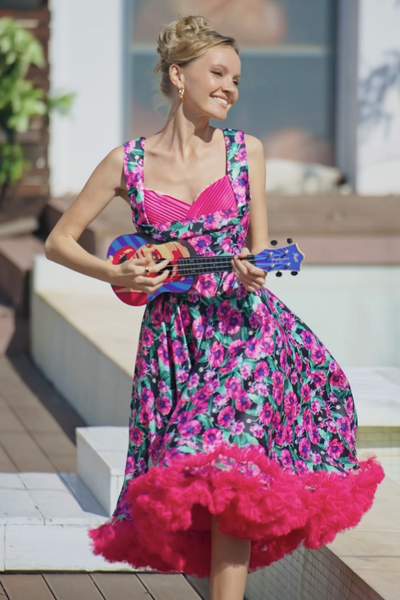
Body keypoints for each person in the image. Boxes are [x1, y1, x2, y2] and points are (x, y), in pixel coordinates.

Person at [44, 15, 384, 600]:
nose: (230, 87)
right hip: (174, 336)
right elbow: (58, 241)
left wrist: (255, 269)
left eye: (237, 79)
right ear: (179, 77)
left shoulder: (245, 151)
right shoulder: (126, 162)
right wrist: (114, 271)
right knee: (198, 478)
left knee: (234, 470)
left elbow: (258, 253)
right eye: (218, 73)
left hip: (244, 329)